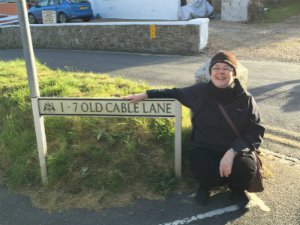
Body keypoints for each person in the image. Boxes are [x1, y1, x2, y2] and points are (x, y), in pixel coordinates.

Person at [123, 51, 265, 208]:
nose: (220, 72)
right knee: (204, 169)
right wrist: (145, 94)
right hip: (206, 147)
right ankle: (206, 186)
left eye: (226, 68)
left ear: (234, 73)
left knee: (246, 168)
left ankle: (237, 190)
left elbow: (255, 131)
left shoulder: (246, 99)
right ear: (211, 72)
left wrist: (232, 152)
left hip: (236, 150)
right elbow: (173, 92)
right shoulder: (199, 92)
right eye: (216, 68)